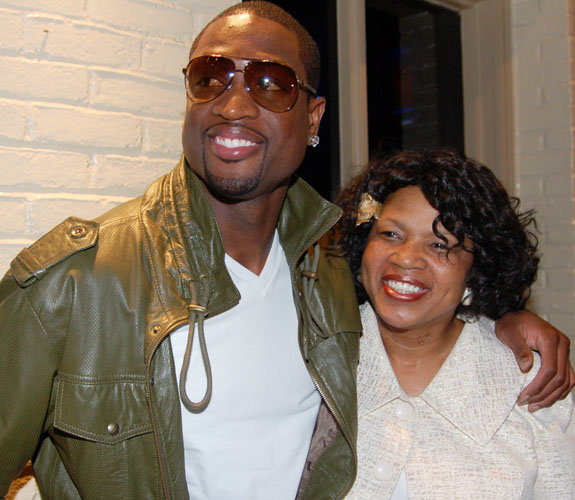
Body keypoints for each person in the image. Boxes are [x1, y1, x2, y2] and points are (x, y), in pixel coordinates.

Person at [0, 3, 572, 500]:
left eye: (271, 84)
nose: (233, 105)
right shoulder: (75, 283)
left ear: (314, 117)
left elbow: (423, 305)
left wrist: (508, 318)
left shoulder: (330, 272)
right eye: (211, 77)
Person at [336, 149, 575, 499]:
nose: (406, 258)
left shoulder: (531, 386)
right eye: (390, 234)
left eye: (439, 244)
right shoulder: (314, 358)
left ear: (475, 269)